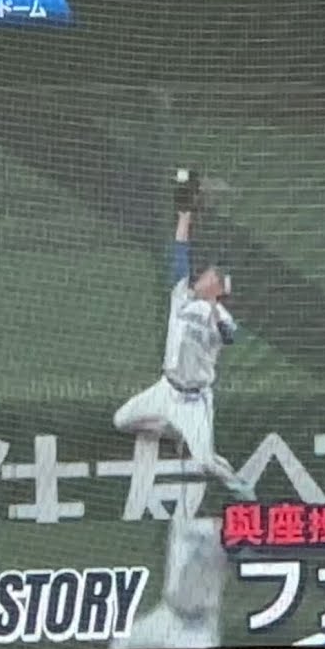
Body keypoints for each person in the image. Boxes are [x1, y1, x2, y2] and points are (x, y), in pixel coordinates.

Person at [112, 169, 257, 501]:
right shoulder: (182, 296)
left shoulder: (219, 315)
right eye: (204, 274)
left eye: (211, 277)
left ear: (218, 288)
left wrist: (214, 307)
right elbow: (180, 253)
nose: (202, 277)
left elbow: (229, 336)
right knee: (121, 420)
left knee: (205, 460)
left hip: (194, 400)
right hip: (166, 389)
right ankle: (171, 429)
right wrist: (184, 215)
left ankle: (240, 487)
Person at [108, 514, 228, 649]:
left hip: (199, 628)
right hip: (168, 614)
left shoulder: (217, 530)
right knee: (121, 642)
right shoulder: (184, 522)